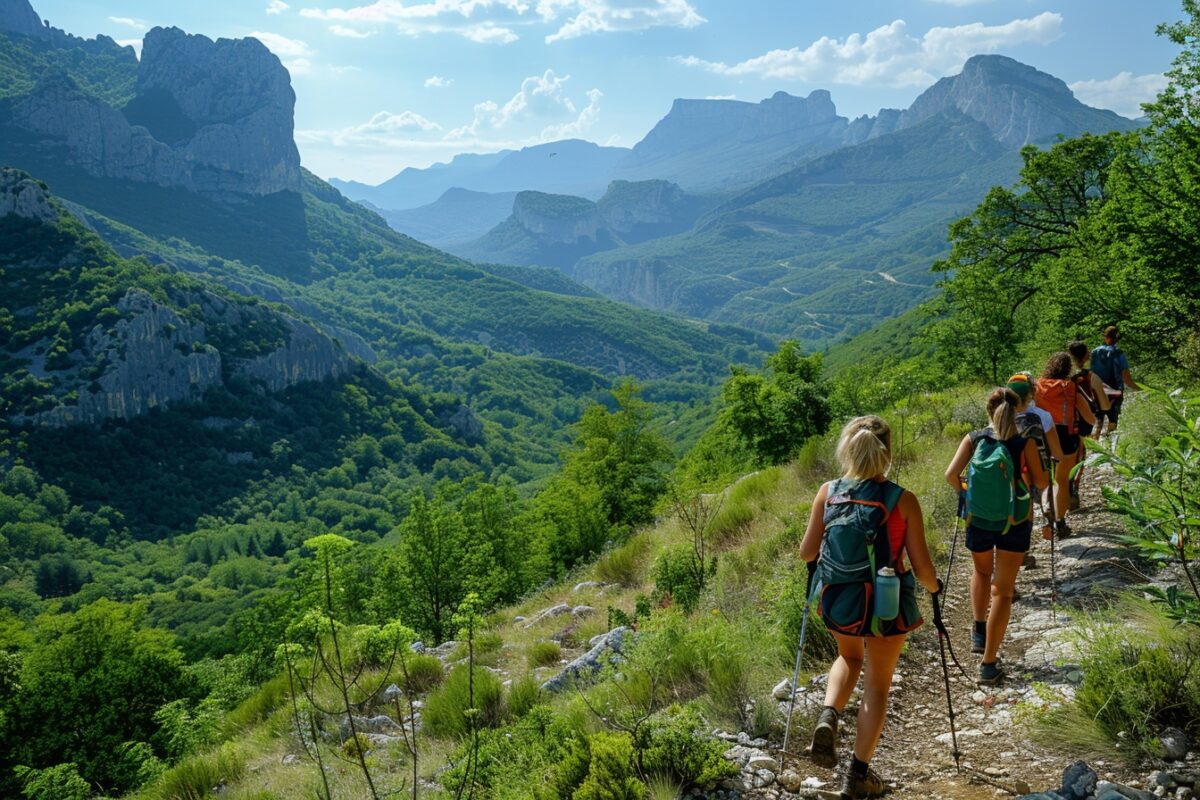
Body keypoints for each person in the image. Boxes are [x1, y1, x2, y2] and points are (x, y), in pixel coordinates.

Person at [799, 416, 938, 798]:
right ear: (887, 452)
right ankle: (855, 776)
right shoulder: (902, 499)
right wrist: (935, 586)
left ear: (848, 448)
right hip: (885, 605)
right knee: (876, 686)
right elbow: (923, 569)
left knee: (848, 658)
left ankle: (830, 714)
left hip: (840, 601)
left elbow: (807, 552)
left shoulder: (828, 491)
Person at [944, 389, 1049, 685]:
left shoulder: (973, 439)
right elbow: (1041, 482)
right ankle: (988, 664)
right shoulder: (1023, 442)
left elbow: (951, 476)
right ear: (1016, 411)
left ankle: (978, 629)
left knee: (980, 570)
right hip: (1014, 520)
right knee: (1002, 591)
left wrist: (968, 494)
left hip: (978, 519)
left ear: (988, 411)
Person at [1036, 353, 1096, 536]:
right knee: (1062, 481)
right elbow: (1090, 418)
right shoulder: (1071, 388)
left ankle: (1047, 509)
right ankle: (1060, 522)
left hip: (1041, 436)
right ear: (1068, 368)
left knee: (1044, 480)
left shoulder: (1037, 387)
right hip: (1066, 437)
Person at [1067, 340, 1110, 507]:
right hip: (1081, 425)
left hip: (1057, 424)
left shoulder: (1058, 377)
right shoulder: (1090, 377)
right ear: (1085, 356)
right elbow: (1104, 405)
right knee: (1078, 459)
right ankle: (1072, 494)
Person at [1091, 325, 1139, 435]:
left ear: (1105, 337)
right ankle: (1108, 446)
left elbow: (1092, 373)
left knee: (1099, 418)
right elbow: (1126, 379)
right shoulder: (1119, 354)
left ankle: (1095, 443)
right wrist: (1139, 388)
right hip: (1115, 391)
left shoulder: (1095, 352)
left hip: (1098, 390)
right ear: (1117, 338)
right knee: (1113, 419)